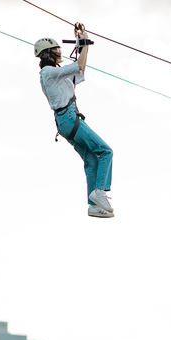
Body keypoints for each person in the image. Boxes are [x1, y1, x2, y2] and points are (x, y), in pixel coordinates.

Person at [35, 28, 114, 218]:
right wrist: (83, 43)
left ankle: (93, 205)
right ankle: (100, 191)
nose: (59, 52)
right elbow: (78, 65)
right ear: (46, 54)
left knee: (91, 160)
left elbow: (81, 68)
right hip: (69, 119)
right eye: (55, 50)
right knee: (105, 151)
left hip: (66, 122)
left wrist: (83, 45)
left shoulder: (56, 75)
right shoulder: (48, 71)